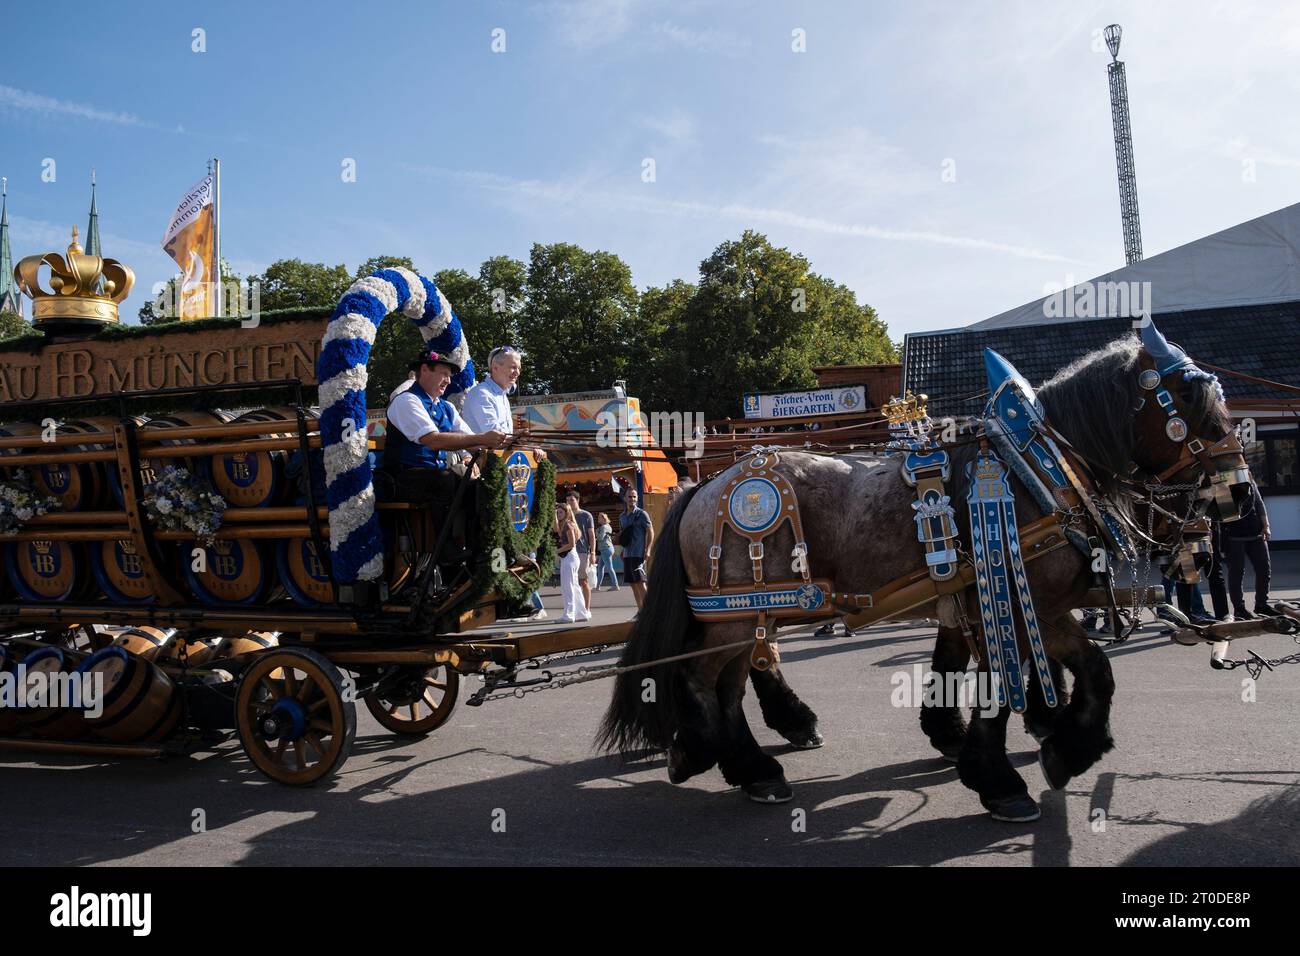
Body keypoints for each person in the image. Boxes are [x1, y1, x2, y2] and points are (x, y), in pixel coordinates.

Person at [384, 347, 507, 531]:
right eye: (444, 374)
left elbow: (469, 439)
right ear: (424, 370)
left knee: (480, 488)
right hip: (404, 478)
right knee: (445, 479)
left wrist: (477, 452)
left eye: (449, 376)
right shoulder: (407, 401)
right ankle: (446, 551)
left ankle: (477, 549)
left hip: (434, 475)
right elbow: (433, 440)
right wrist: (483, 439)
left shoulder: (447, 407)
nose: (448, 381)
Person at [461, 344, 546, 460]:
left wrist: (526, 446)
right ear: (495, 367)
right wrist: (519, 438)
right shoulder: (482, 393)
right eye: (513, 367)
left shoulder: (501, 395)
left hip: (498, 462)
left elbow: (505, 437)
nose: (517, 373)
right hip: (481, 464)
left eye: (519, 368)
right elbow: (495, 438)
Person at [1226, 480, 1279, 618]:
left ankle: (1261, 604)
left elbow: (1259, 503)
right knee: (1237, 573)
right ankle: (1239, 608)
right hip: (1233, 535)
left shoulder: (1248, 477)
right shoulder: (1223, 479)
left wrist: (1266, 525)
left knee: (1264, 569)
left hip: (1256, 532)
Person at [555, 502, 590, 624]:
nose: (558, 514)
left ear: (567, 513)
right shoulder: (569, 524)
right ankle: (581, 613)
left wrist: (557, 551)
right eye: (557, 512)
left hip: (569, 557)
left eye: (560, 512)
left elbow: (571, 544)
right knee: (574, 586)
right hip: (572, 557)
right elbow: (556, 528)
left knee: (567, 586)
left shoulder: (568, 525)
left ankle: (568, 614)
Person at [619, 487, 654, 609]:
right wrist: (622, 551)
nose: (632, 499)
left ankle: (649, 612)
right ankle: (640, 612)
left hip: (638, 554)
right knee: (633, 584)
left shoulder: (642, 514)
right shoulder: (622, 516)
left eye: (634, 497)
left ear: (637, 498)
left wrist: (648, 549)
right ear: (625, 498)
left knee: (640, 583)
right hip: (627, 554)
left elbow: (651, 531)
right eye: (629, 496)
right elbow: (624, 535)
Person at [567, 491, 596, 611]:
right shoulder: (565, 516)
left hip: (582, 551)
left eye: (572, 500)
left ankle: (587, 608)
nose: (569, 503)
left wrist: (593, 552)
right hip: (569, 551)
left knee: (583, 581)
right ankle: (576, 608)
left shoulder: (586, 515)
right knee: (572, 583)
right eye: (567, 500)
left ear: (578, 500)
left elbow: (592, 535)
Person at [595, 512, 619, 590]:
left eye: (599, 517)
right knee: (600, 568)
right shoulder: (608, 526)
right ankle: (598, 586)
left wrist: (596, 532)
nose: (598, 519)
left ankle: (615, 585)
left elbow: (600, 538)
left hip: (605, 549)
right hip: (607, 548)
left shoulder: (603, 527)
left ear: (603, 518)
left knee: (609, 567)